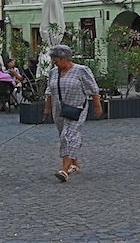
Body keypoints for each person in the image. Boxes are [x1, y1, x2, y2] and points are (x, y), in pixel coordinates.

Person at [42, 44, 103, 181]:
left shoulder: (81, 70)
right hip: (58, 109)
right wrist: (47, 108)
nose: (55, 63)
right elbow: (49, 92)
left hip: (77, 108)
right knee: (63, 136)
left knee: (69, 136)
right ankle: (75, 164)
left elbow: (93, 90)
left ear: (65, 58)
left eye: (56, 60)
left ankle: (64, 170)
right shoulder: (53, 72)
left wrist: (98, 106)